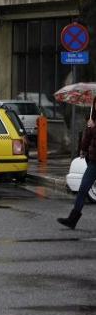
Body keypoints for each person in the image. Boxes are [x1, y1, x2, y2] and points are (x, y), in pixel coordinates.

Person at [57, 95, 96, 229]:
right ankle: (72, 219)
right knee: (83, 189)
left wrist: (93, 127)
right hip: (93, 162)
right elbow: (87, 139)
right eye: (95, 103)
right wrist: (83, 149)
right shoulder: (92, 120)